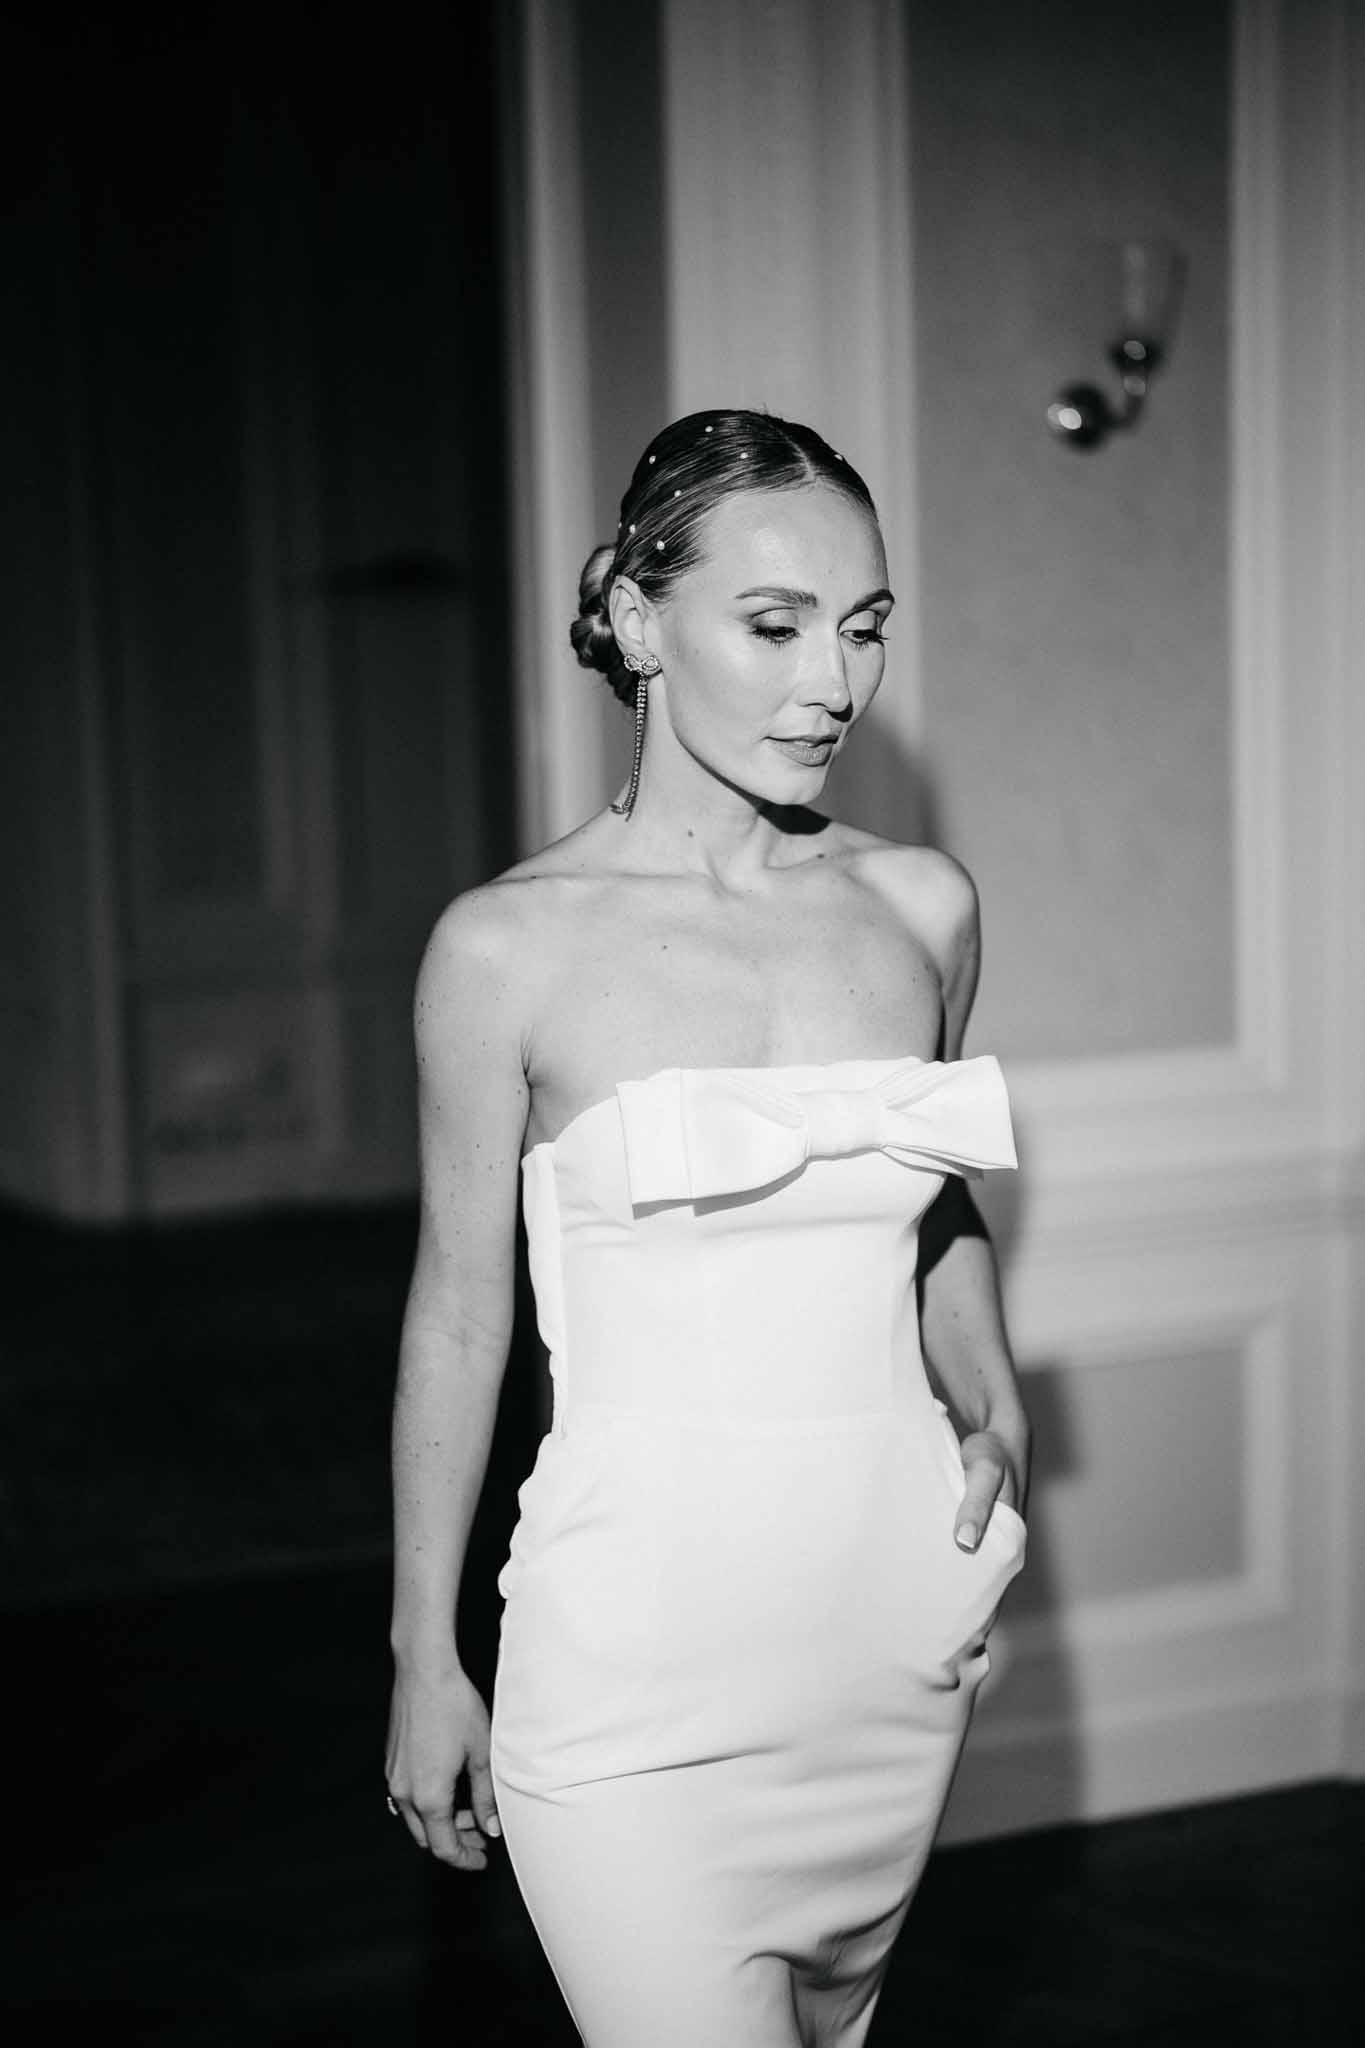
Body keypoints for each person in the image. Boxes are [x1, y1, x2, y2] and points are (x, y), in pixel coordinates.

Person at [384, 408, 1031, 2046]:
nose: (833, 680)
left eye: (863, 626)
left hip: (886, 1649)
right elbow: (458, 1316)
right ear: (632, 619)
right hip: (633, 1667)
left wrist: (992, 1391)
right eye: (774, 623)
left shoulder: (920, 909)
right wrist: (421, 1654)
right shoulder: (503, 952)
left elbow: (926, 1195)